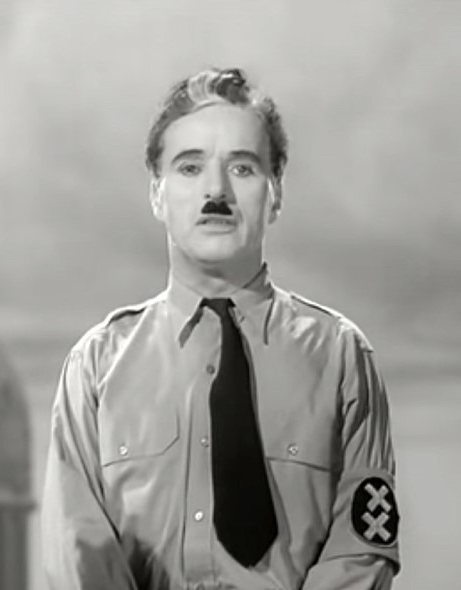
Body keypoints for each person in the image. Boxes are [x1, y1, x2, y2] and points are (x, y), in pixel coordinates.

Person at [41, 66, 400, 590]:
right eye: (190, 168)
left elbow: (361, 550)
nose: (216, 190)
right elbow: (79, 554)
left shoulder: (341, 358)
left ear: (276, 192)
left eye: (242, 168)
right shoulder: (95, 367)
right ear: (157, 194)